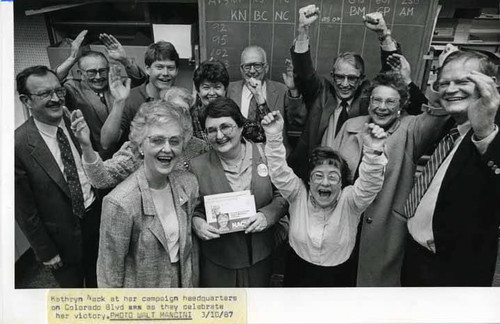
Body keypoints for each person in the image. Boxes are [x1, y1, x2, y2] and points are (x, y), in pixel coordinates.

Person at [332, 71, 450, 286]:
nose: (382, 107)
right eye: (377, 100)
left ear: (401, 105)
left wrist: (439, 78)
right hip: (346, 219)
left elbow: (439, 112)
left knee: (371, 285)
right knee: (339, 278)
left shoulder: (411, 128)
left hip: (384, 226)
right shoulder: (351, 125)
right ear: (369, 103)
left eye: (390, 101)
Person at [401, 50, 500, 286]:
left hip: (453, 273)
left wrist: (485, 133)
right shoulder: (452, 124)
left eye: (464, 81)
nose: (450, 89)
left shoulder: (489, 132)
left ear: (490, 85)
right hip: (416, 257)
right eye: (444, 83)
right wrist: (406, 79)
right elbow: (423, 106)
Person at [261, 110, 388, 287]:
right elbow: (278, 171)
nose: (325, 183)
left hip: (338, 276)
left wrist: (374, 152)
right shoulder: (298, 193)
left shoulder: (351, 200)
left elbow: (370, 183)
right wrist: (274, 135)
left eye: (333, 177)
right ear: (309, 179)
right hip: (298, 272)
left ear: (342, 182)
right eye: (318, 176)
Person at [287, 7, 418, 179]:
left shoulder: (367, 98)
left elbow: (391, 72)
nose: (345, 84)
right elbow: (305, 71)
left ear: (361, 79)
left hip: (353, 176)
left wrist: (384, 35)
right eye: (339, 77)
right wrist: (303, 30)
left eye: (352, 78)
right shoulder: (321, 93)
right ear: (332, 76)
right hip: (314, 172)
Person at [84, 101, 199, 288]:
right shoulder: (120, 203)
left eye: (174, 141)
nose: (167, 149)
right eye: (157, 140)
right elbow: (109, 276)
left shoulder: (188, 184)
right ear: (139, 146)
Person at [15, 66, 101, 288]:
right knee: (72, 298)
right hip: (59, 239)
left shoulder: (78, 121)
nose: (55, 99)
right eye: (44, 94)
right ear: (26, 101)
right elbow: (25, 210)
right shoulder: (18, 145)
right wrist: (45, 251)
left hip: (95, 222)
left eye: (58, 91)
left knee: (99, 286)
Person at [189, 97, 289, 287]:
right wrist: (197, 223)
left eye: (226, 127)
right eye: (211, 130)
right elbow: (194, 209)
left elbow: (283, 195)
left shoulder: (265, 154)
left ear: (241, 126)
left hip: (261, 257)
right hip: (218, 261)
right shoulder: (197, 166)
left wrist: (267, 216)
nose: (219, 136)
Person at [80, 88, 209, 189]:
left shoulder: (200, 147)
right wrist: (86, 147)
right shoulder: (141, 146)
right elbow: (101, 179)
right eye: (170, 110)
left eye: (183, 111)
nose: (177, 116)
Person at [55, 30, 145, 158]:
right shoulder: (73, 89)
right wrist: (71, 59)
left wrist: (125, 60)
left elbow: (141, 82)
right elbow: (52, 83)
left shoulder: (117, 85)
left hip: (126, 155)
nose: (98, 76)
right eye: (91, 72)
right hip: (93, 157)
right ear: (80, 74)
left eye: (102, 71)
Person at [100, 41, 180, 151]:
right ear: (148, 69)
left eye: (170, 68)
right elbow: (106, 143)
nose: (165, 73)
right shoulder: (130, 99)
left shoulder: (179, 100)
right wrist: (119, 102)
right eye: (159, 67)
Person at [227, 45, 302, 153]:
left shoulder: (282, 91)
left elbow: (297, 122)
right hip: (237, 158)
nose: (252, 71)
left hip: (274, 157)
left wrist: (294, 90)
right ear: (241, 69)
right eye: (247, 66)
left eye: (257, 65)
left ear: (266, 68)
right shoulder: (229, 90)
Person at [190, 60, 230, 140]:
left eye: (217, 87)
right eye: (206, 87)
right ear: (198, 91)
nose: (212, 93)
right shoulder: (190, 118)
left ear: (225, 90)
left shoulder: (233, 115)